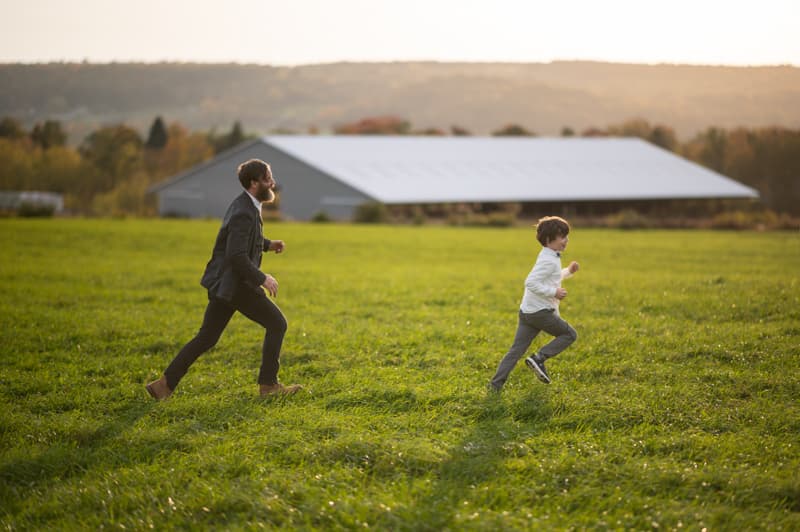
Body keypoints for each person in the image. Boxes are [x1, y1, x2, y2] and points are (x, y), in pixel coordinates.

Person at [146, 159, 302, 400]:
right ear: (254, 183)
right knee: (277, 324)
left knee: (207, 338)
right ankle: (268, 386)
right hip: (237, 285)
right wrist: (262, 278)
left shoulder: (247, 205)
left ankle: (163, 385)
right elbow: (236, 254)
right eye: (267, 177)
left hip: (226, 286)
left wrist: (269, 244)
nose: (272, 182)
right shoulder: (244, 211)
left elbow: (244, 240)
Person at [489, 216, 579, 391]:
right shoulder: (548, 260)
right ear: (548, 239)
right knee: (570, 335)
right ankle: (539, 358)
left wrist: (568, 271)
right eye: (562, 236)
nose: (566, 240)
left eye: (567, 236)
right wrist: (554, 292)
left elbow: (551, 277)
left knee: (516, 351)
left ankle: (495, 386)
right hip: (541, 313)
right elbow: (531, 282)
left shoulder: (549, 256)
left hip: (528, 312)